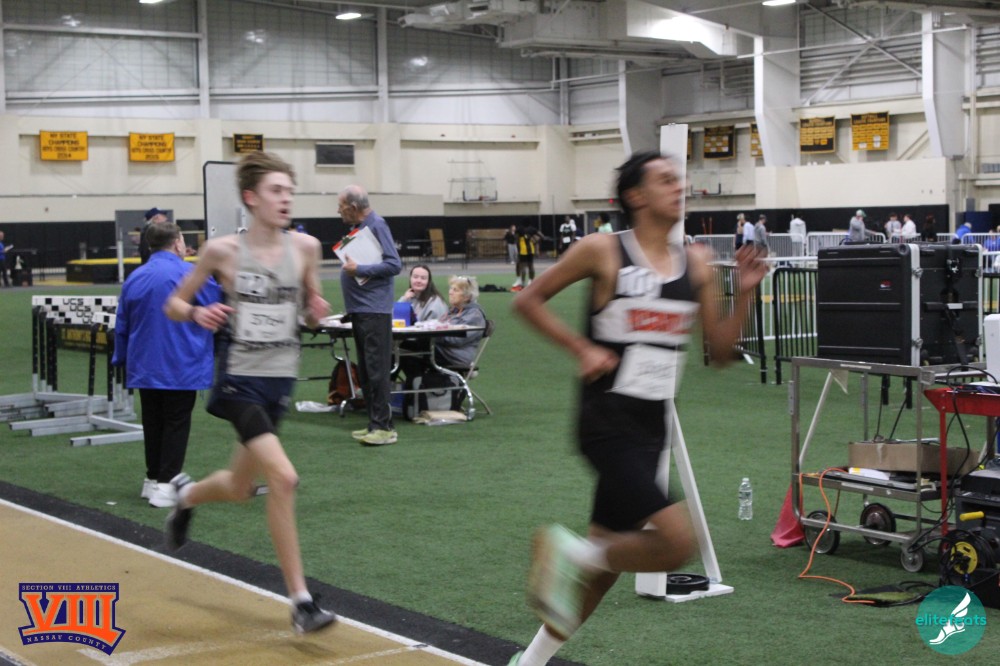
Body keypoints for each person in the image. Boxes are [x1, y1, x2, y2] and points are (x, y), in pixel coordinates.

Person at [509, 151, 767, 666]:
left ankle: (529, 661)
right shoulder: (603, 250)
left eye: (679, 179)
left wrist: (744, 294)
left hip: (652, 428)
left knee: (604, 571)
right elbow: (526, 300)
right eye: (666, 180)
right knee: (677, 543)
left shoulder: (695, 262)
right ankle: (570, 552)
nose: (679, 186)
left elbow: (719, 354)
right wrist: (581, 348)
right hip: (606, 422)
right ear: (635, 195)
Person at [163, 151, 336, 634]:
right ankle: (301, 602)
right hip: (239, 379)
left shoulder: (306, 248)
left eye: (290, 191)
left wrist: (314, 311)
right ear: (251, 197)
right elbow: (173, 303)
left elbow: (309, 311)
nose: (286, 199)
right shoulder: (221, 251)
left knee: (240, 488)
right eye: (276, 190)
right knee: (284, 478)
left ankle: (186, 497)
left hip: (280, 380)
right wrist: (197, 312)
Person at [113, 223, 219, 508]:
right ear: (177, 243)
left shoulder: (135, 277)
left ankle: (152, 479)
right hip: (180, 362)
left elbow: (121, 323)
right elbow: (218, 302)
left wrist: (121, 358)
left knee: (153, 422)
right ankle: (166, 483)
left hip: (144, 363)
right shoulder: (190, 274)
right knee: (176, 422)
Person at [339, 184, 403, 447]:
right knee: (366, 371)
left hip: (374, 310)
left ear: (354, 207)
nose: (338, 211)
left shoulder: (377, 225)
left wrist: (360, 269)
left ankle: (384, 428)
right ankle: (375, 423)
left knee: (376, 371)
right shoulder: (362, 228)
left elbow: (394, 264)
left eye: (341, 206)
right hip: (362, 310)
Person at [513, 224, 541, 292]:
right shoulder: (530, 232)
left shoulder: (521, 232)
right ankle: (529, 281)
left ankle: (523, 283)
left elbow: (517, 241)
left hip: (523, 251)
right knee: (529, 266)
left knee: (522, 266)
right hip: (530, 251)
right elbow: (540, 237)